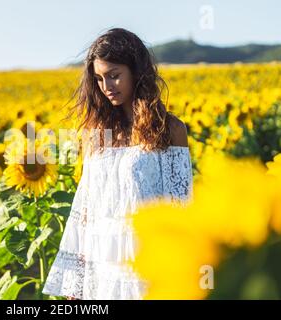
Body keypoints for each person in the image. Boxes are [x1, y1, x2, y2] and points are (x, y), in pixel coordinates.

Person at [42, 28, 193, 300]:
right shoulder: (97, 136)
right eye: (99, 79)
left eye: (114, 75)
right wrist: (74, 287)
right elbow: (84, 214)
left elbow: (180, 209)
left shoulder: (169, 130)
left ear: (136, 72)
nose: (107, 86)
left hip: (146, 267)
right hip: (101, 270)